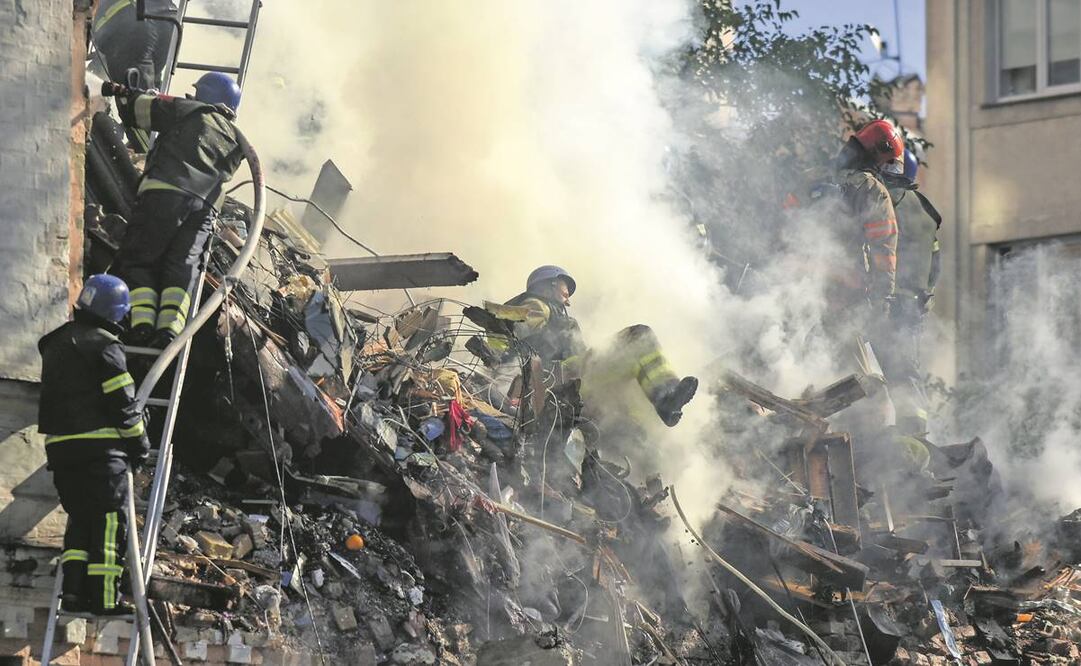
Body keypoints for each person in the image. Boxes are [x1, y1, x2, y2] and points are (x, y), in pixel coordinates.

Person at [38, 275, 150, 614]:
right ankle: (104, 599)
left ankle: (72, 595)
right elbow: (122, 405)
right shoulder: (105, 346)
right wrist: (140, 444)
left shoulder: (55, 343)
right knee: (109, 522)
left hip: (61, 451)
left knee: (81, 520)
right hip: (101, 453)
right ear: (116, 312)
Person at [109, 72, 245, 348]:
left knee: (139, 258)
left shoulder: (191, 110)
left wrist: (126, 94)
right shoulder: (237, 140)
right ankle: (170, 330)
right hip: (204, 211)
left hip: (166, 194)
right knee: (181, 267)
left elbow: (139, 112)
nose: (191, 96)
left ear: (206, 95)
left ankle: (142, 324)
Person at [499, 265, 698, 427]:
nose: (568, 296)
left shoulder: (557, 315)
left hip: (568, 380)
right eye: (563, 286)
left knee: (631, 381)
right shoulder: (536, 304)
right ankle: (665, 399)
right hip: (559, 375)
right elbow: (522, 336)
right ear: (549, 284)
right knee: (639, 335)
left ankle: (663, 405)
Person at [797, 119, 904, 314]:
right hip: (844, 294)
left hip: (797, 284)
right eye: (886, 162)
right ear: (878, 153)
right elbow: (884, 251)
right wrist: (882, 303)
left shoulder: (813, 176)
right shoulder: (873, 190)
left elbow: (783, 219)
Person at [879, 148, 942, 445]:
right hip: (915, 304)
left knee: (885, 367)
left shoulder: (885, 201)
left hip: (889, 301)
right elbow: (935, 265)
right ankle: (915, 435)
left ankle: (910, 442)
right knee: (907, 369)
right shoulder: (926, 210)